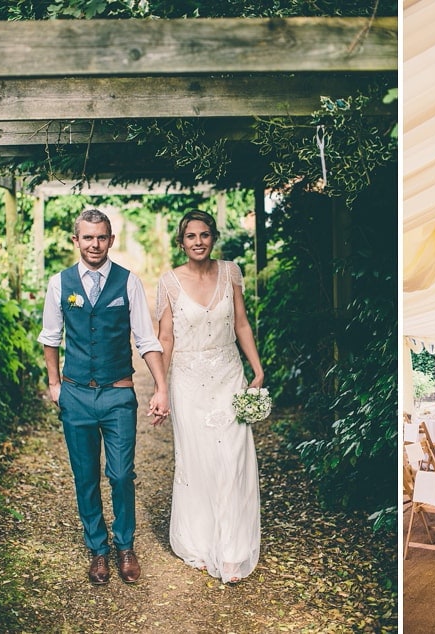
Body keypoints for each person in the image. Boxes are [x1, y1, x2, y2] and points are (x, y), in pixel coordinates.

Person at [38, 208, 170, 585]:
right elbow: (50, 338)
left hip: (117, 395)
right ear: (75, 240)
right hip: (76, 395)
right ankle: (98, 549)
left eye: (102, 237)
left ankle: (124, 545)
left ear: (111, 240)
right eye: (88, 237)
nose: (95, 244)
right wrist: (54, 384)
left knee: (121, 473)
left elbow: (146, 339)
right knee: (85, 476)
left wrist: (160, 387)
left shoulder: (128, 282)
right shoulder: (59, 283)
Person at [156, 210, 263, 584]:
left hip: (229, 376)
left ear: (213, 238)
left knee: (233, 460)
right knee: (199, 462)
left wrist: (258, 369)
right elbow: (165, 338)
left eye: (204, 235)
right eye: (190, 236)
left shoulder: (230, 272)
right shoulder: (169, 282)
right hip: (187, 380)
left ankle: (232, 551)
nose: (198, 241)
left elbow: (241, 322)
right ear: (181, 241)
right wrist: (161, 387)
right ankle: (200, 543)